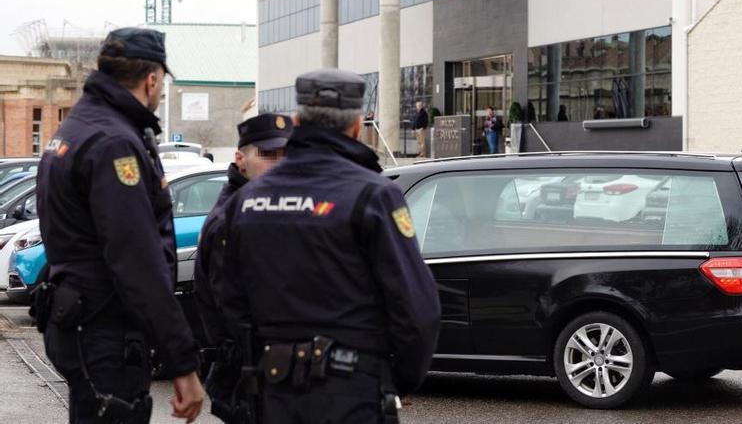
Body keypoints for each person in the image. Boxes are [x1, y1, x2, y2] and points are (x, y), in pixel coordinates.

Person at [221, 68, 441, 423]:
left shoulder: (247, 199)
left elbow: (227, 299)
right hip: (352, 391)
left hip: (272, 390)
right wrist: (394, 379)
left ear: (295, 121)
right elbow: (416, 308)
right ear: (356, 126)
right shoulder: (372, 195)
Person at [35, 27, 204, 423]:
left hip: (82, 321)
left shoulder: (79, 127)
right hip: (104, 331)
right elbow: (137, 261)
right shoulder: (113, 143)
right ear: (152, 78)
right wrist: (182, 363)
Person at [193, 112, 293, 421]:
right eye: (267, 155)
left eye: (285, 155)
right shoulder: (232, 219)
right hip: (248, 374)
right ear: (241, 159)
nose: (278, 164)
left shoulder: (268, 208)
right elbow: (233, 311)